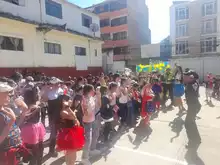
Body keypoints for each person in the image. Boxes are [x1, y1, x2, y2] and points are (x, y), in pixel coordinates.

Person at [20, 85, 46, 165]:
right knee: (36, 149)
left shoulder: (25, 106)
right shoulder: (35, 107)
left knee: (29, 148)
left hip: (29, 129)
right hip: (34, 129)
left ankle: (29, 160)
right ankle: (36, 162)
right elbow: (26, 117)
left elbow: (23, 119)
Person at [56, 94, 84, 165]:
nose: (70, 100)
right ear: (63, 102)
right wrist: (68, 107)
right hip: (68, 134)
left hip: (73, 132)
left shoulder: (69, 109)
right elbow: (74, 117)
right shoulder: (63, 111)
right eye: (68, 99)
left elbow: (76, 121)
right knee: (71, 152)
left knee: (71, 152)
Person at [81, 84, 101, 165]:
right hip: (86, 121)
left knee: (95, 134)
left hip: (93, 119)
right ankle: (84, 158)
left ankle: (92, 150)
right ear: (89, 90)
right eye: (93, 90)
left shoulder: (91, 98)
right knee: (87, 140)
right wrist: (88, 108)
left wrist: (99, 96)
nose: (94, 91)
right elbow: (86, 113)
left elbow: (99, 105)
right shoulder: (84, 99)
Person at [183, 70, 201, 150]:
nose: (184, 78)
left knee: (188, 124)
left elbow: (192, 94)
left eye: (186, 76)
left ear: (191, 78)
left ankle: (193, 141)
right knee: (191, 122)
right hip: (195, 105)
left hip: (193, 106)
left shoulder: (190, 85)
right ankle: (197, 139)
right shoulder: (194, 83)